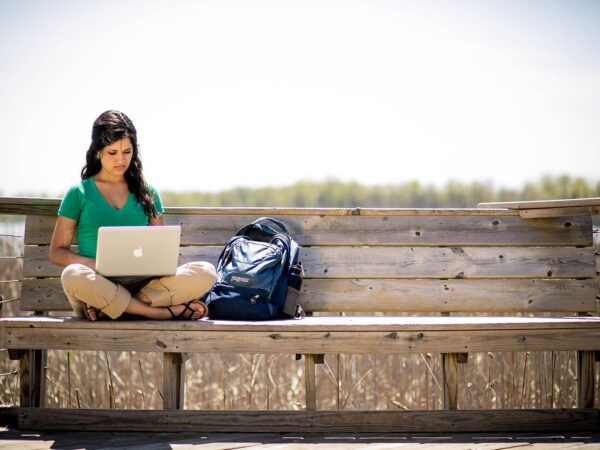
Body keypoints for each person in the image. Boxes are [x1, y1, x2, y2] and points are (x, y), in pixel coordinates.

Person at [50, 110, 216, 321]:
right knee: (72, 275)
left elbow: (160, 251)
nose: (121, 159)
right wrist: (95, 265)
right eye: (112, 153)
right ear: (98, 151)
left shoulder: (149, 194)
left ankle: (126, 305)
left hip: (142, 286)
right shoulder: (78, 193)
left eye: (127, 152)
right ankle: (158, 312)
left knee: (206, 272)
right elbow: (56, 253)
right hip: (97, 283)